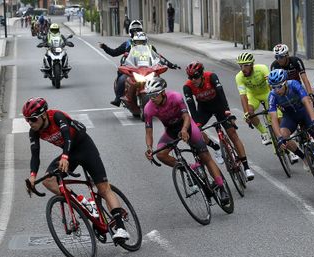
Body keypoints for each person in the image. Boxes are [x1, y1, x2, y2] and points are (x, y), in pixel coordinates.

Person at [23, 97, 130, 241]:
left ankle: (121, 228)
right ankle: (84, 203)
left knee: (103, 189)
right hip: (70, 154)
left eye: (33, 119)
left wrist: (65, 156)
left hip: (85, 148)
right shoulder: (34, 132)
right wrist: (32, 176)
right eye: (27, 119)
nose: (30, 123)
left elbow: (67, 136)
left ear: (43, 115)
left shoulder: (56, 116)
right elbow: (35, 155)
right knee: (48, 180)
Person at [144, 77, 230, 204]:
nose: (152, 98)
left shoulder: (175, 97)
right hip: (171, 131)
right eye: (150, 95)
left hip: (188, 126)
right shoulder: (148, 108)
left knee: (205, 157)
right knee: (161, 154)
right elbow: (148, 131)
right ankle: (188, 168)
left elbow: (186, 116)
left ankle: (221, 187)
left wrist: (184, 130)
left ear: (163, 92)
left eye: (155, 95)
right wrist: (149, 148)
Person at [183, 61, 255, 180]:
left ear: (201, 74)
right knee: (195, 131)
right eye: (190, 77)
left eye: (195, 76)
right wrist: (197, 124)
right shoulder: (187, 86)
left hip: (219, 106)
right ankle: (215, 147)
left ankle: (246, 167)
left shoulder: (211, 77)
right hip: (204, 109)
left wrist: (227, 112)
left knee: (232, 132)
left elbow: (221, 94)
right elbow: (191, 106)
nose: (193, 80)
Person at [98, 24, 178, 106]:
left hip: (148, 70)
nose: (140, 43)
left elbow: (158, 57)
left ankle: (163, 99)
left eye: (142, 42)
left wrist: (170, 65)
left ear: (145, 41)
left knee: (158, 80)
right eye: (138, 42)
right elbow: (115, 53)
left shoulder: (150, 47)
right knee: (122, 79)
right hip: (133, 69)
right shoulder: (129, 46)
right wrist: (104, 47)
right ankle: (118, 98)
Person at [235, 52, 272, 145]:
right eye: (241, 66)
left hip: (267, 93)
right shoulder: (239, 77)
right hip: (253, 95)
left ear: (252, 64)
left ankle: (290, 149)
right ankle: (264, 132)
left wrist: (276, 101)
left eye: (246, 65)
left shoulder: (262, 68)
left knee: (276, 118)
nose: (243, 69)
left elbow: (271, 85)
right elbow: (243, 96)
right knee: (249, 111)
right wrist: (246, 113)